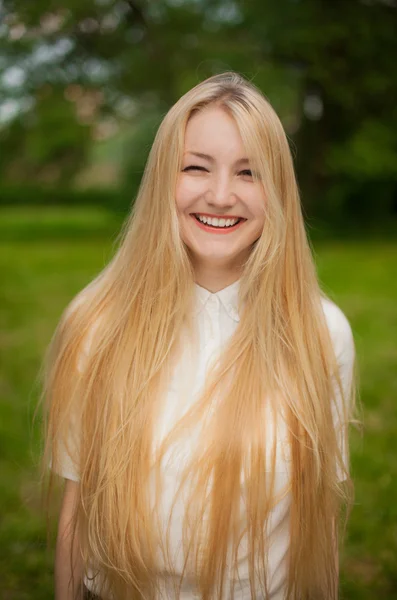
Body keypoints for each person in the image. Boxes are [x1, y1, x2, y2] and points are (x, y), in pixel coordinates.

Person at [40, 72, 357, 600]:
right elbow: (76, 512)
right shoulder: (96, 323)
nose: (220, 195)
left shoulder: (321, 333)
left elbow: (317, 523)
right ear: (164, 177)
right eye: (196, 168)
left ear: (278, 189)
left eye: (249, 173)